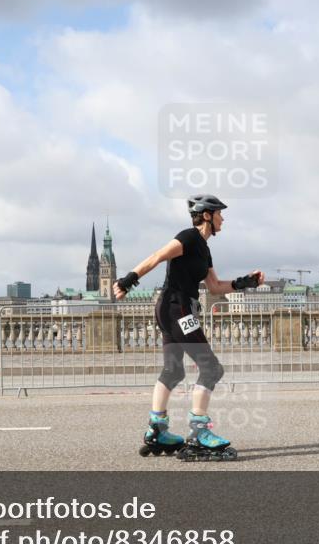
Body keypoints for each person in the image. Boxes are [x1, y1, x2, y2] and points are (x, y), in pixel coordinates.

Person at [113, 194, 264, 461]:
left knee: (173, 370)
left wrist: (245, 282)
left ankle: (157, 429)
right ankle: (199, 433)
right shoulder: (188, 237)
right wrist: (128, 280)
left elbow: (215, 287)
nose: (223, 218)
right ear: (207, 215)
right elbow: (158, 255)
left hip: (174, 307)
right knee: (211, 368)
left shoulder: (204, 249)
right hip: (177, 307)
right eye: (219, 213)